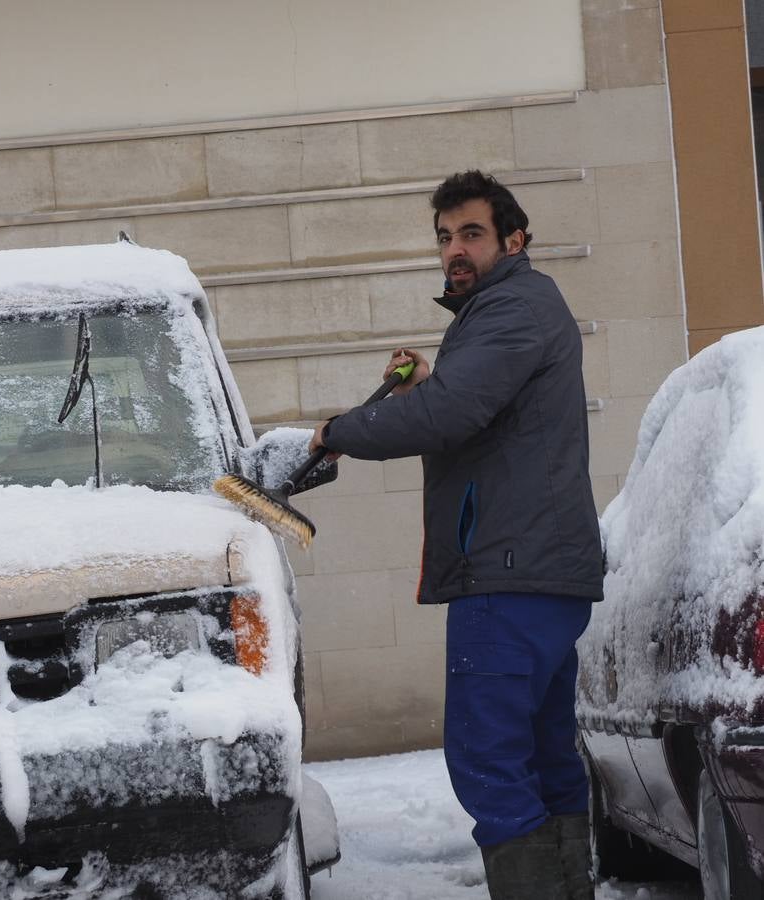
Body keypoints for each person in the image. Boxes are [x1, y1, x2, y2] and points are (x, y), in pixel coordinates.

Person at [309, 171, 603, 900]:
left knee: (488, 761)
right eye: (443, 237)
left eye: (470, 233)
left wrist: (336, 433)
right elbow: (467, 410)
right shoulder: (504, 311)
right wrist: (427, 390)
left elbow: (448, 416)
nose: (453, 251)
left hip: (508, 571)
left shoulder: (511, 307)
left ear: (513, 239)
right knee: (541, 756)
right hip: (538, 570)